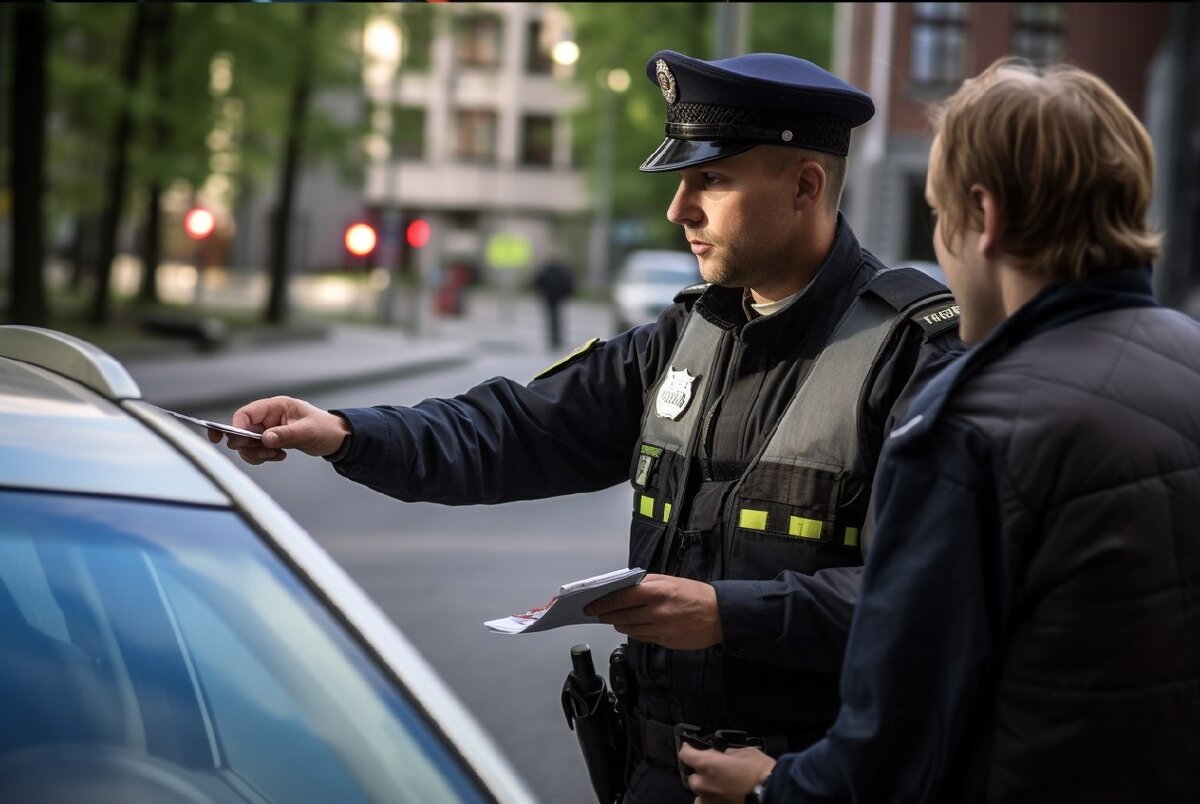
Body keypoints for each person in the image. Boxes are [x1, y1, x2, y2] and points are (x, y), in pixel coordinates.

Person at [212, 49, 964, 803]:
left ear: (805, 186)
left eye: (711, 179)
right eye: (681, 181)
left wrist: (729, 616)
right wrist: (345, 431)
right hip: (650, 777)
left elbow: (926, 600)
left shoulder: (912, 355)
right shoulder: (684, 336)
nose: (679, 210)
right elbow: (515, 430)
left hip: (805, 784)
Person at [680, 57, 1200, 803]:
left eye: (939, 214)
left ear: (983, 219)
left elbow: (895, 736)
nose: (943, 251)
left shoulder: (971, 421)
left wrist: (773, 791)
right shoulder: (1188, 357)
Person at [533, 256, 575, 349]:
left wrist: (542, 293)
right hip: (558, 298)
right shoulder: (561, 271)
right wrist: (567, 294)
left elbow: (538, 282)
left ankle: (553, 340)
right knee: (558, 320)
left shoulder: (546, 271)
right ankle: (557, 340)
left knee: (552, 320)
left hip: (549, 298)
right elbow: (568, 283)